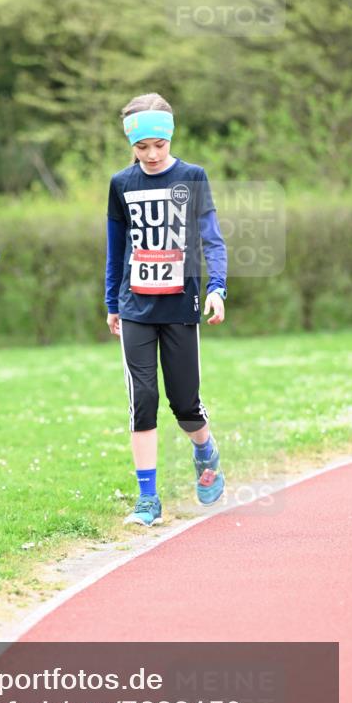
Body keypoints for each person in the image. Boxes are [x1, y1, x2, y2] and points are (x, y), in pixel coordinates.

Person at [105, 93, 228, 526]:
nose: (152, 155)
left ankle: (204, 449)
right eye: (142, 147)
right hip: (135, 305)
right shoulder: (121, 184)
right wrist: (111, 302)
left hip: (181, 305)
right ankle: (147, 498)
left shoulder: (193, 177)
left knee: (185, 405)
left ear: (170, 137)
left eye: (159, 144)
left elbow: (212, 238)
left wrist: (217, 288)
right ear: (131, 145)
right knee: (143, 400)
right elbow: (115, 247)